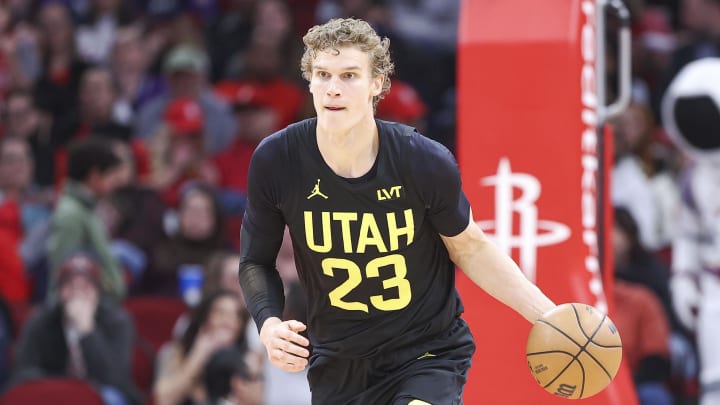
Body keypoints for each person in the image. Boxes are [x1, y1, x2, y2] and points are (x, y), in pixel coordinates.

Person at [238, 18, 556, 404]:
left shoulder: (421, 160)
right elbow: (256, 260)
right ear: (310, 80)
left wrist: (547, 315)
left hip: (424, 352)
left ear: (377, 84)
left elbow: (471, 248)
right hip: (339, 362)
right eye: (322, 74)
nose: (333, 88)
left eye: (349, 75)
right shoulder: (277, 160)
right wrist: (269, 325)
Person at [9, 252, 140, 405]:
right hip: (55, 392)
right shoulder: (42, 320)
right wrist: (60, 386)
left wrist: (87, 331)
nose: (77, 294)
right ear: (59, 292)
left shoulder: (117, 322)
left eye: (85, 287)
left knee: (113, 398)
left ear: (98, 292)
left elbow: (115, 378)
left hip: (102, 390)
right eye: (70, 286)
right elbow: (23, 370)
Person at [47, 138, 126, 301]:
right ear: (94, 175)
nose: (115, 181)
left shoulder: (87, 209)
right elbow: (61, 270)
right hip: (80, 312)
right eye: (111, 174)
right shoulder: (70, 214)